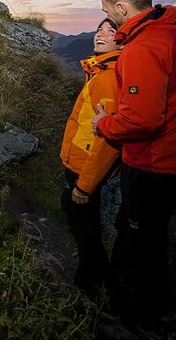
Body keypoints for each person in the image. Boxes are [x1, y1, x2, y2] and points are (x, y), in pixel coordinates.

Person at [91, 0, 176, 329]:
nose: (107, 17)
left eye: (108, 10)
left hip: (154, 162)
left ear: (123, 7)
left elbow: (142, 120)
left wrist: (104, 125)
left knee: (135, 240)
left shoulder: (144, 47)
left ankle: (132, 315)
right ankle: (157, 308)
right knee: (153, 237)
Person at [59, 18, 122, 297]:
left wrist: (85, 185)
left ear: (123, 40)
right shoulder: (100, 70)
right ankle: (102, 274)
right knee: (74, 211)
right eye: (100, 29)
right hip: (78, 159)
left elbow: (109, 140)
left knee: (86, 225)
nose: (101, 34)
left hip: (85, 165)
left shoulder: (108, 78)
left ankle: (88, 284)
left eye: (112, 31)